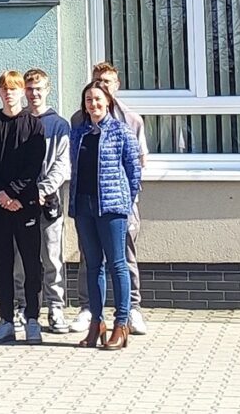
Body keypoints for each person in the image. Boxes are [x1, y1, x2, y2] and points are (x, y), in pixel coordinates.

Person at [71, 81, 143, 351]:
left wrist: (125, 201)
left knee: (117, 264)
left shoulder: (121, 131)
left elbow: (133, 172)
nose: (93, 104)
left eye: (98, 99)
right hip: (83, 205)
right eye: (89, 99)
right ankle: (96, 323)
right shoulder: (79, 133)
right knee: (93, 265)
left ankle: (121, 323)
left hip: (112, 208)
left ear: (108, 102)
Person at [0, 70, 46, 343]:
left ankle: (32, 320)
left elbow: (34, 165)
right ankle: (6, 320)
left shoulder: (34, 125)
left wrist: (15, 193)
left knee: (31, 264)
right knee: (2, 265)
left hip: (26, 204)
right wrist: (2, 194)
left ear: (22, 92)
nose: (9, 94)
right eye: (5, 89)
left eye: (14, 89)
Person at [92, 61, 151, 336]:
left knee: (124, 256)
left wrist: (128, 199)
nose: (102, 85)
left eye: (107, 81)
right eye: (98, 80)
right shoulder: (80, 119)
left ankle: (132, 309)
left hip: (121, 202)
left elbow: (137, 164)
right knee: (92, 259)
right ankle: (90, 311)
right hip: (92, 203)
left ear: (116, 85)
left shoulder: (131, 120)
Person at [26, 67, 73, 332]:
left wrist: (43, 190)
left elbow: (61, 165)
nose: (34, 94)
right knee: (22, 260)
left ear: (47, 90)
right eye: (30, 89)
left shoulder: (59, 125)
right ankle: (23, 306)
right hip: (22, 202)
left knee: (52, 257)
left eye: (38, 89)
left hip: (48, 201)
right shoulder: (19, 120)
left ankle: (55, 307)